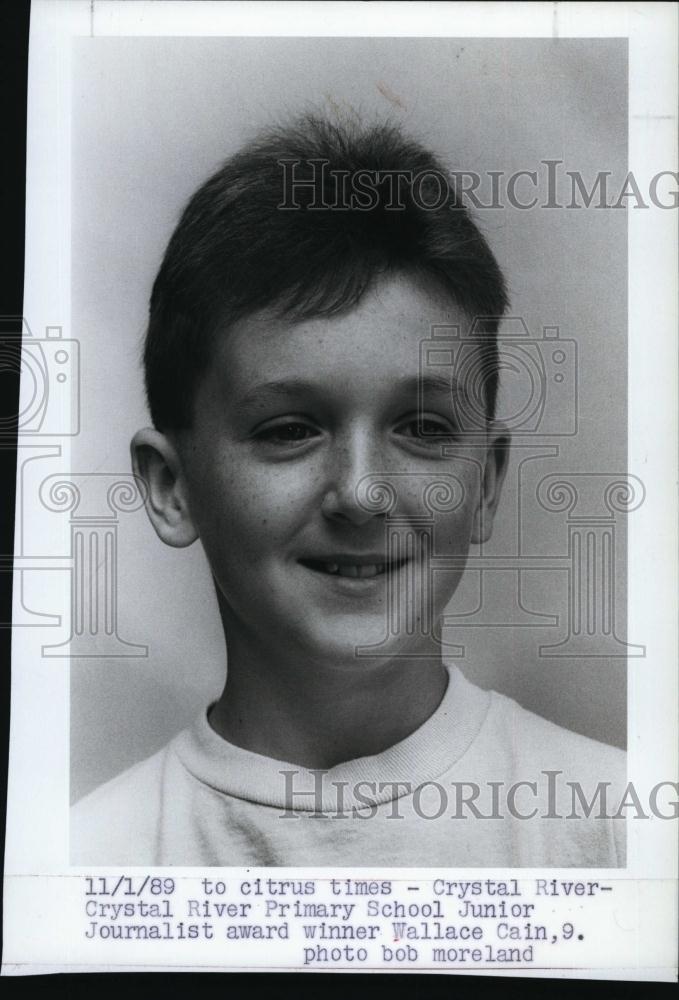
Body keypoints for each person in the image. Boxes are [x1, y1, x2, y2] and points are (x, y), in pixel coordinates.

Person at [71, 115, 625, 866]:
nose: (361, 494)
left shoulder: (620, 833)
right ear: (172, 488)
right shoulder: (83, 860)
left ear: (486, 481)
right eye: (288, 429)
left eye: (422, 427)